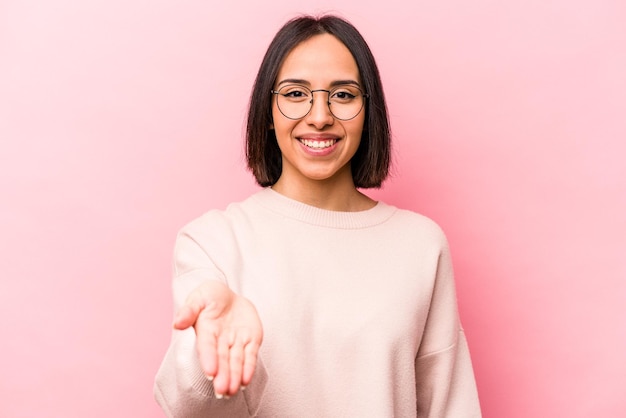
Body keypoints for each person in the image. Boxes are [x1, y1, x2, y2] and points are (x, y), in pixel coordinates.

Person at [154, 14, 481, 417]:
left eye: (343, 95)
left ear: (368, 110)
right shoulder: (213, 241)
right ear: (268, 112)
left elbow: (452, 405)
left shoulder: (421, 244)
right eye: (295, 94)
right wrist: (210, 364)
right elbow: (190, 409)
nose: (320, 116)